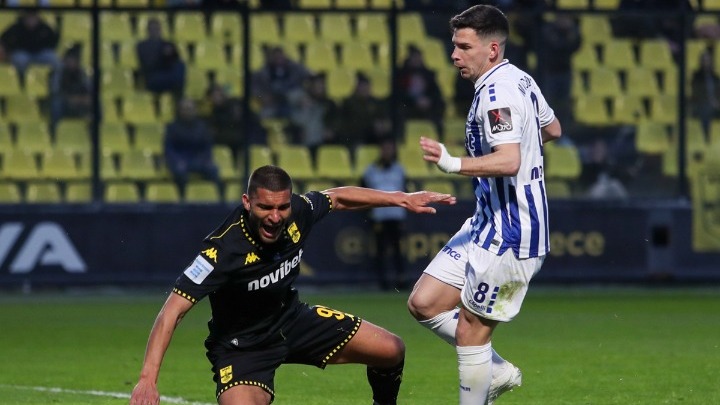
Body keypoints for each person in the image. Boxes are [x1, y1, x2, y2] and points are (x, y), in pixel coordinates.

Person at [129, 165, 456, 405]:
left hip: (293, 321)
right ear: (247, 202)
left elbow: (337, 198)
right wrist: (147, 378)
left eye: (282, 207)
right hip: (243, 349)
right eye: (265, 207)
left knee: (391, 350)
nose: (275, 216)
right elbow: (172, 311)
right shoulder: (222, 250)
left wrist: (399, 199)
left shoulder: (298, 211)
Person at [406, 5, 562, 404]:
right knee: (424, 303)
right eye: (454, 45)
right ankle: (495, 370)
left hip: (512, 230)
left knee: (470, 332)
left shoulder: (497, 92)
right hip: (486, 220)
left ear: (492, 49)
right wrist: (523, 145)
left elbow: (508, 161)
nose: (454, 55)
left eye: (464, 47)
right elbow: (552, 128)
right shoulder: (520, 78)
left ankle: (481, 386)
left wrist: (452, 163)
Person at [360, 138, 408, 290]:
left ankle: (401, 279)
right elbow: (362, 191)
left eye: (390, 148)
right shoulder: (371, 170)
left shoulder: (399, 169)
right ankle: (383, 281)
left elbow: (406, 190)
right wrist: (369, 211)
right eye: (385, 148)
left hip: (396, 215)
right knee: (380, 249)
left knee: (398, 249)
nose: (387, 152)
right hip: (379, 216)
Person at [163, 98, 222, 195]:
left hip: (198, 160)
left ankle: (216, 197)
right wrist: (176, 160)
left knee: (213, 169)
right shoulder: (172, 127)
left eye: (190, 109)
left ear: (195, 110)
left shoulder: (202, 127)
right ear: (179, 110)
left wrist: (205, 159)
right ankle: (183, 198)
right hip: (180, 160)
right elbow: (169, 149)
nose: (187, 112)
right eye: (184, 109)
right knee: (179, 172)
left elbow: (207, 147)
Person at [396, 44, 446, 137]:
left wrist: (429, 100)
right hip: (409, 105)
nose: (417, 60)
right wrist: (415, 101)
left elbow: (436, 92)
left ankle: (440, 138)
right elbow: (399, 92)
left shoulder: (428, 74)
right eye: (414, 57)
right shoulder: (402, 74)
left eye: (418, 57)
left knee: (440, 106)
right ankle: (401, 139)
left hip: (426, 106)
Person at [286, 72, 339, 160]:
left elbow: (335, 122)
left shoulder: (330, 105)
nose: (319, 88)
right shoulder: (301, 100)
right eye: (317, 85)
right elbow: (294, 119)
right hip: (302, 143)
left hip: (322, 143)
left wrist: (331, 129)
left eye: (322, 86)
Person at [337, 72, 393, 151]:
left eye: (366, 86)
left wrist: (382, 125)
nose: (364, 89)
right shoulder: (348, 103)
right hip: (355, 138)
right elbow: (345, 124)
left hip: (373, 137)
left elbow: (384, 119)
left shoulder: (376, 102)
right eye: (362, 86)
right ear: (357, 88)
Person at [251, 46, 311, 119]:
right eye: (276, 57)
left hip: (293, 101)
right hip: (273, 102)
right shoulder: (263, 72)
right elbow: (253, 88)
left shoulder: (296, 68)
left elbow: (312, 78)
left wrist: (306, 95)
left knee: (304, 105)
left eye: (280, 57)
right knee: (262, 116)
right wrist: (261, 97)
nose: (278, 60)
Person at [0, 10, 59, 77]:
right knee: (20, 59)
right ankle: (21, 79)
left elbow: (53, 42)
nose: (31, 20)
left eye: (33, 17)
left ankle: (53, 79)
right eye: (29, 17)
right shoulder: (17, 28)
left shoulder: (44, 28)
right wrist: (7, 52)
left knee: (53, 59)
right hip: (22, 53)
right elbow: (3, 40)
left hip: (40, 53)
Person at [136, 18, 185, 98]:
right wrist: (161, 55)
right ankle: (179, 94)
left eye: (156, 28)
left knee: (180, 66)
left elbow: (176, 59)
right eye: (152, 29)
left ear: (160, 30)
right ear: (148, 30)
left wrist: (170, 54)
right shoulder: (142, 46)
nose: (155, 31)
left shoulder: (167, 44)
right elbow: (148, 64)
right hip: (153, 77)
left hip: (167, 74)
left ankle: (178, 92)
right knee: (175, 80)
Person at [49, 45, 92, 131]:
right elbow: (55, 91)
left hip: (80, 101)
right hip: (65, 101)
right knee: (56, 103)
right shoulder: (59, 72)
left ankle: (96, 130)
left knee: (97, 103)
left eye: (74, 60)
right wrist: (69, 99)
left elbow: (89, 89)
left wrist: (85, 98)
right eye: (69, 59)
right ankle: (55, 130)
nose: (71, 62)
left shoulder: (82, 73)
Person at [690, 49, 720, 140]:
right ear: (701, 62)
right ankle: (706, 138)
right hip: (702, 105)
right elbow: (697, 93)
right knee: (706, 110)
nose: (706, 62)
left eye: (708, 60)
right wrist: (711, 102)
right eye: (705, 60)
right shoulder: (696, 77)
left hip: (716, 106)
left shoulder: (715, 77)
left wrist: (717, 103)